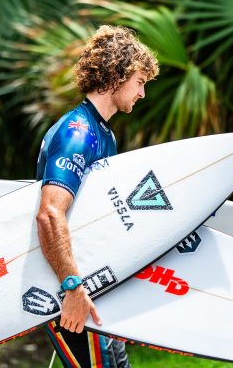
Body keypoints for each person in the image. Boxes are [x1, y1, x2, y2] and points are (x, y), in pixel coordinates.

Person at [35, 25, 159, 367]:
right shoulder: (79, 133)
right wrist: (72, 287)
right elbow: (49, 214)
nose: (142, 93)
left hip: (95, 283)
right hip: (72, 286)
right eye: (139, 82)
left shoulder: (103, 134)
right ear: (116, 75)